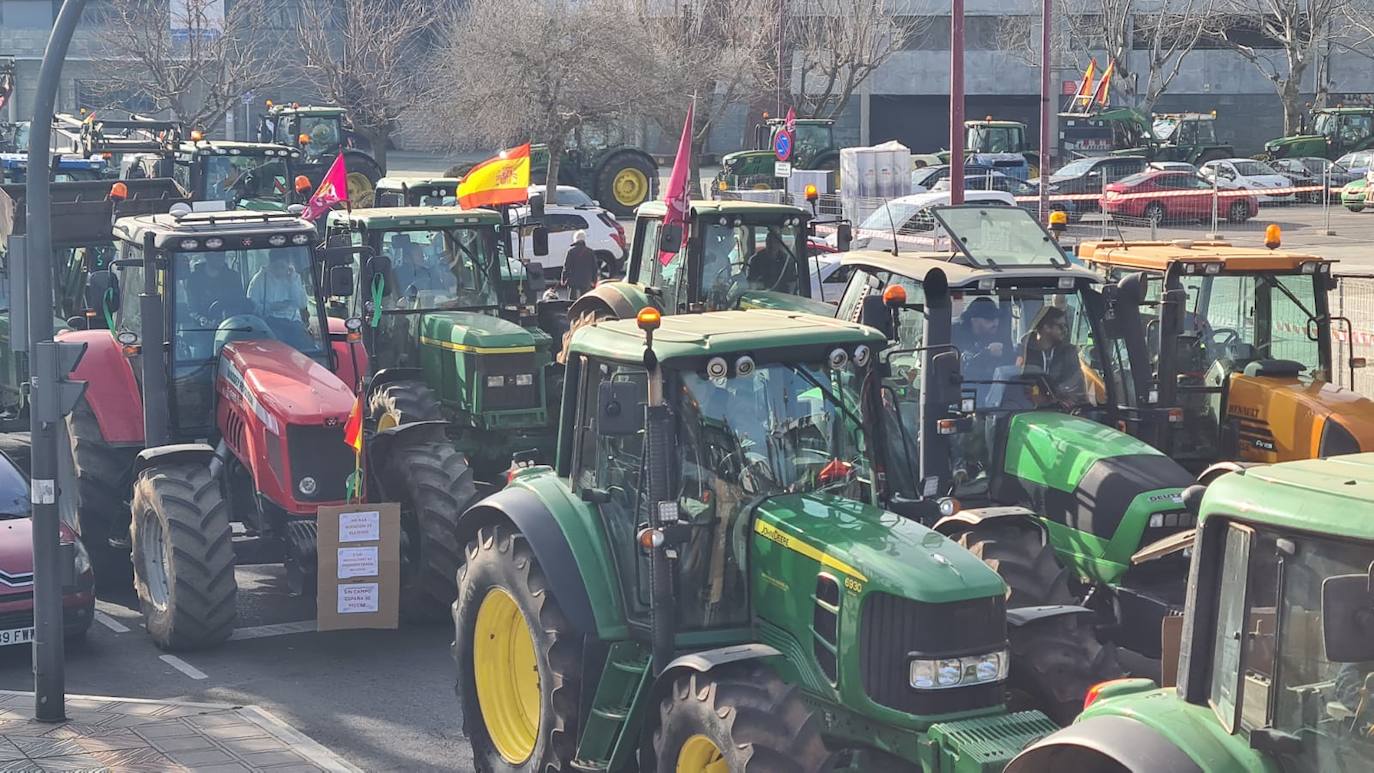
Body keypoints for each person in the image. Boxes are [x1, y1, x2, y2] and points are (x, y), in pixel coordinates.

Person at [1019, 305, 1087, 406]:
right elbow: (1016, 385)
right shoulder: (1022, 351)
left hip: (1061, 411)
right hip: (1025, 409)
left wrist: (1054, 399)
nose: (1065, 330)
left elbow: (1075, 385)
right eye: (1061, 326)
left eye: (1065, 326)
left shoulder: (1069, 352)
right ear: (1046, 327)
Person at [247, 253, 311, 350]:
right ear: (270, 264)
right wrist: (272, 307)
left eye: (282, 267)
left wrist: (292, 282)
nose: (279, 270)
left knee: (308, 346)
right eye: (276, 267)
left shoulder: (294, 279)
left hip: (293, 322)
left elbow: (302, 304)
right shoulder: (259, 280)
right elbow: (251, 307)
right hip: (270, 322)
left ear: (288, 266)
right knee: (278, 344)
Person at [951, 297, 1009, 382]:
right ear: (974, 320)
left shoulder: (997, 334)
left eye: (997, 318)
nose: (995, 323)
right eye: (989, 319)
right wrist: (986, 353)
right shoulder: (954, 335)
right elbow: (959, 370)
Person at [184, 252, 247, 325]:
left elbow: (241, 302)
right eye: (217, 254)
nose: (221, 257)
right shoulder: (194, 279)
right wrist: (201, 319)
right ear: (207, 256)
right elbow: (192, 309)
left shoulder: (233, 277)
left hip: (232, 326)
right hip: (203, 330)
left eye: (222, 254)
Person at [561, 230, 598, 299]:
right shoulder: (590, 252)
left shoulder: (571, 251)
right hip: (586, 280)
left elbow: (566, 267)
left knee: (571, 300)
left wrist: (563, 279)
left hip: (573, 280)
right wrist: (594, 280)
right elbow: (594, 268)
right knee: (585, 299)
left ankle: (571, 309)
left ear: (575, 239)